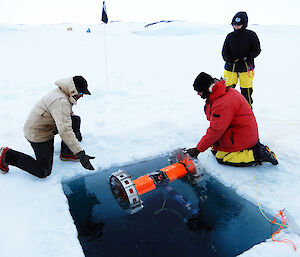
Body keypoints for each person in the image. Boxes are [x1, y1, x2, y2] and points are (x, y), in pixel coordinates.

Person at [0, 76, 95, 178]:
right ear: (73, 90)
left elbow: (66, 116)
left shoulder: (63, 92)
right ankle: (7, 155)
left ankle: (67, 153)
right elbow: (65, 130)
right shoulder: (60, 101)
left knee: (74, 120)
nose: (82, 96)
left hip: (46, 125)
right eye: (81, 93)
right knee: (43, 171)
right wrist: (80, 153)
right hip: (38, 133)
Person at [186, 72, 278, 166]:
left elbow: (215, 130)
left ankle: (258, 154)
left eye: (199, 91)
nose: (198, 94)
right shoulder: (222, 93)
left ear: (208, 89)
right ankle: (253, 147)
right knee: (215, 149)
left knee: (222, 157)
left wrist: (197, 150)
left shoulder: (222, 104)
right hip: (243, 132)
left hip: (244, 135)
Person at [222, 11, 261, 107]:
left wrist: (248, 57)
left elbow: (257, 49)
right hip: (231, 68)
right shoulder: (229, 36)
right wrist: (228, 59)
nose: (236, 27)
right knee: (227, 90)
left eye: (239, 25)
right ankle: (228, 108)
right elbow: (224, 52)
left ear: (244, 24)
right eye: (234, 24)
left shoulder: (251, 35)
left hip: (246, 67)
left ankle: (247, 109)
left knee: (246, 90)